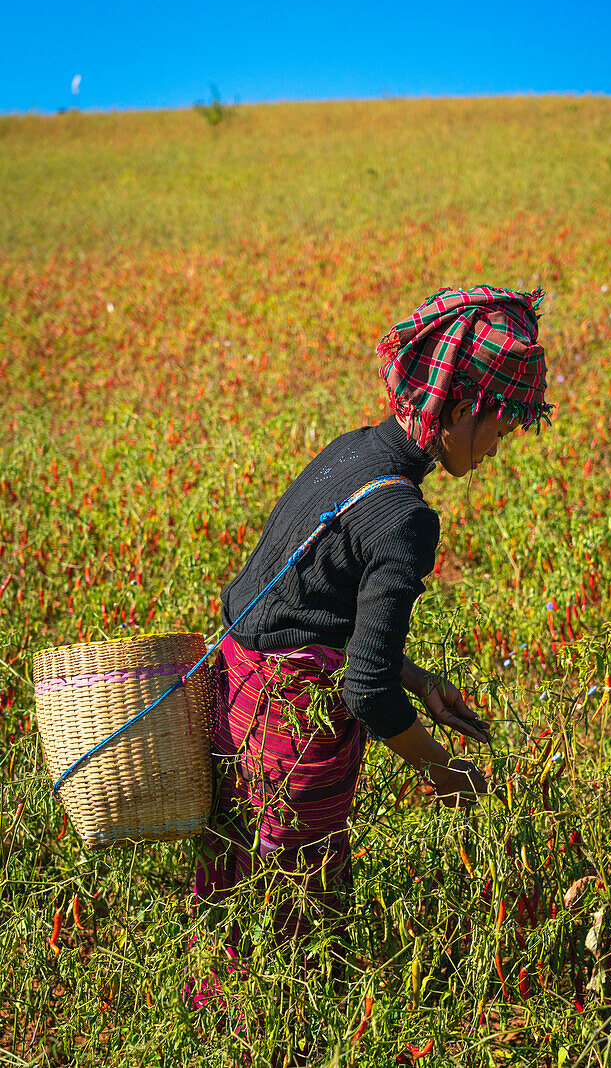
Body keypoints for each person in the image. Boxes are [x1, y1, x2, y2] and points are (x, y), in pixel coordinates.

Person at [190, 283, 552, 1057]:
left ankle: (213, 1025)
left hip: (233, 688)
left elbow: (304, 601)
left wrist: (423, 681)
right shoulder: (408, 519)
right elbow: (365, 691)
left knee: (231, 874)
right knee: (301, 907)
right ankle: (284, 1042)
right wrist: (443, 769)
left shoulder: (356, 451)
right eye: (500, 429)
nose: (495, 450)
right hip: (294, 722)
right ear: (461, 411)